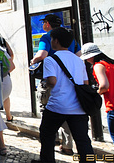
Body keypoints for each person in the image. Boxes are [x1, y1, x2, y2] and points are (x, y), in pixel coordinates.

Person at [32, 27, 93, 163]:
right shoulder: (78, 60)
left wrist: (45, 83)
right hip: (78, 107)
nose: (52, 41)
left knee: (47, 134)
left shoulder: (51, 60)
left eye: (52, 39)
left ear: (56, 41)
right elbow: (85, 82)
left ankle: (47, 161)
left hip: (58, 106)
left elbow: (52, 81)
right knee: (82, 140)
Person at [30, 14, 79, 155]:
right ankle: (67, 146)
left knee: (48, 112)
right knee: (68, 114)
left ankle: (53, 142)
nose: (44, 25)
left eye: (44, 22)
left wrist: (33, 62)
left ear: (47, 24)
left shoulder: (47, 37)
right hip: (70, 83)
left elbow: (42, 55)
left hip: (53, 81)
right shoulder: (70, 38)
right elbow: (79, 54)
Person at [0, 35, 16, 122]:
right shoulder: (2, 40)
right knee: (6, 96)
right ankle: (8, 116)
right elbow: (11, 54)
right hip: (5, 73)